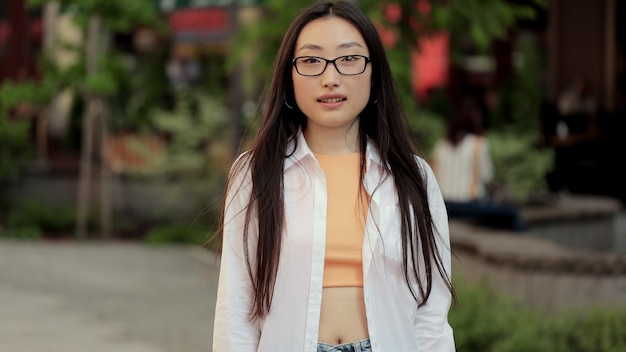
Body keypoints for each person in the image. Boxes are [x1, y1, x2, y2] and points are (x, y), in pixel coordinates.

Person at [212, 1, 456, 351]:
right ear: (289, 76)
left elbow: (431, 316)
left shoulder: (413, 178)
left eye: (349, 59)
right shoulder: (256, 174)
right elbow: (236, 309)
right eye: (311, 61)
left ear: (374, 72)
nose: (330, 78)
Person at [431, 94, 526, 232]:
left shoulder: (440, 146)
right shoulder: (478, 144)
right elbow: (487, 178)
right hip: (469, 203)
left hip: (445, 204)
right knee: (512, 214)